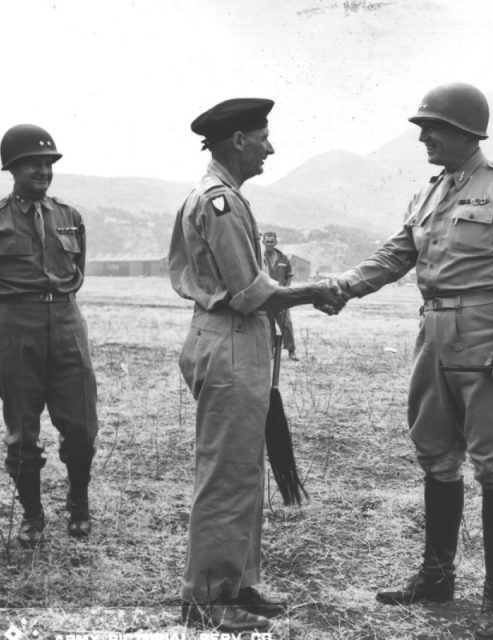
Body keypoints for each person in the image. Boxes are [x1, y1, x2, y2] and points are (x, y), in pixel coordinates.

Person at [334, 83, 493, 639]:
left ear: (463, 132)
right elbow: (394, 255)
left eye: (431, 128)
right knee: (435, 454)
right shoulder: (428, 195)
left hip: (487, 335)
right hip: (433, 332)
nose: (423, 137)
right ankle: (436, 577)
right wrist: (342, 286)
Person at [169, 98, 345, 632]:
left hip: (238, 343)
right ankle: (209, 597)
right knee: (226, 476)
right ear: (238, 140)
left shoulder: (228, 198)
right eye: (264, 136)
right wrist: (311, 291)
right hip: (229, 341)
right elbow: (248, 291)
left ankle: (238, 584)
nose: (271, 146)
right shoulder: (219, 202)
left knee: (243, 470)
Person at [0, 124, 98, 546]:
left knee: (82, 428)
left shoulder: (70, 217)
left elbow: (76, 275)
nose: (43, 171)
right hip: (14, 329)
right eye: (33, 164)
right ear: (12, 169)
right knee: (23, 432)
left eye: (48, 163)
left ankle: (78, 504)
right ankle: (33, 515)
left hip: (66, 325)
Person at [263, 231, 299, 360]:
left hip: (281, 297)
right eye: (267, 242)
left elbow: (289, 276)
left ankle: (291, 351)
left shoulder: (284, 258)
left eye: (272, 242)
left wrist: (286, 290)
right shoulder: (260, 258)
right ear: (263, 242)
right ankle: (271, 351)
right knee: (268, 325)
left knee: (286, 324)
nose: (269, 245)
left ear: (276, 242)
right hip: (266, 297)